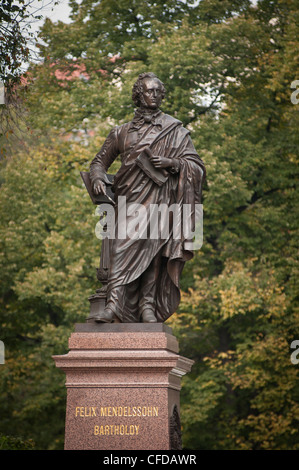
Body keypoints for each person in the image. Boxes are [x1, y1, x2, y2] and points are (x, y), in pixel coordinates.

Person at [89, 72, 205, 323]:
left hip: (161, 200)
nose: (154, 95)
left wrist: (172, 162)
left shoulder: (175, 129)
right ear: (138, 95)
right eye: (149, 91)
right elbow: (99, 162)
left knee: (153, 253)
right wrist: (98, 177)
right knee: (120, 247)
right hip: (128, 201)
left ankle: (148, 307)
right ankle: (113, 304)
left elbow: (196, 166)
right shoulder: (120, 132)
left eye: (158, 91)